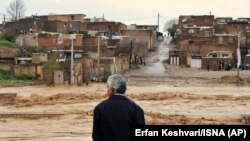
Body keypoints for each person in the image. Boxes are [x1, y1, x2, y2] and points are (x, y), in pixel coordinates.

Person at [92, 74, 145, 141]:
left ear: (112, 89)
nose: (107, 90)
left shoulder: (100, 108)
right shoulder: (136, 109)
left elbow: (96, 136)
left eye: (108, 87)